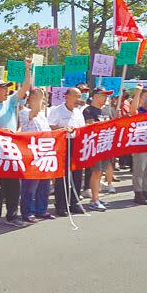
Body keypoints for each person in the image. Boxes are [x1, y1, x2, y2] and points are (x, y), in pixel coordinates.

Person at [0, 58, 32, 228]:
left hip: (12, 150)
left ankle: (12, 216)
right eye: (3, 88)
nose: (6, 91)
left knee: (14, 186)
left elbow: (24, 88)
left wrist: (27, 69)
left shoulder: (10, 102)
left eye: (7, 89)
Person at [48, 87, 86, 216]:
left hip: (76, 144)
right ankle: (61, 205)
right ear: (67, 96)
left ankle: (74, 202)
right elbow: (51, 127)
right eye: (76, 96)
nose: (78, 99)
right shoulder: (57, 110)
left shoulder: (78, 112)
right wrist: (64, 128)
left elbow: (82, 128)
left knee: (77, 174)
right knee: (63, 176)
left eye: (79, 96)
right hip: (63, 144)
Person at [19, 88, 55, 222]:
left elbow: (49, 133)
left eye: (43, 98)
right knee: (30, 186)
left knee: (44, 185)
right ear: (30, 99)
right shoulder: (24, 112)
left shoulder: (42, 116)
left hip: (45, 154)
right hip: (31, 154)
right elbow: (32, 113)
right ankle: (27, 212)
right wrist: (38, 96)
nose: (42, 100)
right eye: (38, 98)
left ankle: (41, 209)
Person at [82, 87, 114, 211]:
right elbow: (90, 127)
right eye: (103, 95)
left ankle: (96, 197)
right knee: (96, 172)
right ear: (95, 96)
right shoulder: (88, 111)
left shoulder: (106, 111)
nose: (105, 97)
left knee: (101, 172)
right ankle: (94, 200)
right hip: (94, 146)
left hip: (105, 145)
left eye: (107, 95)